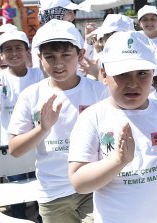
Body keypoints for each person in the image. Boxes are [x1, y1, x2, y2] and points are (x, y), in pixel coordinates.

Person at [68, 31, 157, 223]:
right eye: (122, 74)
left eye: (142, 73)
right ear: (104, 75)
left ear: (153, 73)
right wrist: (118, 161)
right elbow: (79, 182)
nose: (133, 83)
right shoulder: (92, 117)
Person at [8, 19, 108, 223]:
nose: (58, 63)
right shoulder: (31, 95)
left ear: (80, 55)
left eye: (65, 55)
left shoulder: (99, 92)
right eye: (50, 57)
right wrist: (42, 129)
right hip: (53, 193)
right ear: (39, 58)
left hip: (95, 187)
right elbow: (15, 149)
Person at [0, 30, 44, 219]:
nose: (14, 53)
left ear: (27, 51)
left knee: (40, 191)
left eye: (19, 48)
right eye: (8, 49)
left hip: (39, 143)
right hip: (11, 144)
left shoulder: (39, 75)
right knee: (15, 194)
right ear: (1, 55)